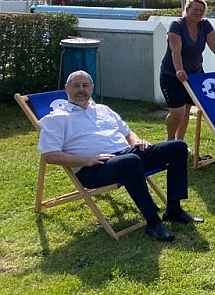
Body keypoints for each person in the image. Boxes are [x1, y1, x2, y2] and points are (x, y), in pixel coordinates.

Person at [37, 71, 202, 241]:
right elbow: (50, 155)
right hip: (94, 167)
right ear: (66, 89)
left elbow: (127, 133)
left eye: (85, 86)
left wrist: (137, 141)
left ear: (92, 88)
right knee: (131, 161)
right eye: (76, 86)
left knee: (178, 147)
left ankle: (174, 210)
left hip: (127, 155)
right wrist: (86, 160)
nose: (81, 90)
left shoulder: (103, 110)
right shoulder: (56, 119)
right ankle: (153, 222)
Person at [160, 0, 215, 142]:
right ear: (187, 9)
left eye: (201, 10)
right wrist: (179, 70)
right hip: (172, 74)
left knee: (187, 109)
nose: (198, 13)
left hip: (195, 75)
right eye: (195, 9)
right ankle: (169, 141)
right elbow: (175, 51)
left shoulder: (205, 25)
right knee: (178, 111)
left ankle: (180, 141)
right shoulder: (176, 25)